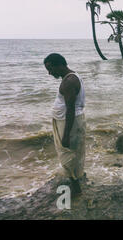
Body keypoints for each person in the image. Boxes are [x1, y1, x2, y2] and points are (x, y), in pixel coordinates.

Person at [44, 53, 86, 196]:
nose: (50, 73)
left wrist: (66, 134)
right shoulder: (73, 77)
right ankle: (77, 179)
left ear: (60, 65)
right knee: (73, 152)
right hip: (70, 121)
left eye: (50, 69)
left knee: (67, 153)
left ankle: (75, 187)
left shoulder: (69, 82)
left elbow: (70, 109)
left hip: (69, 122)